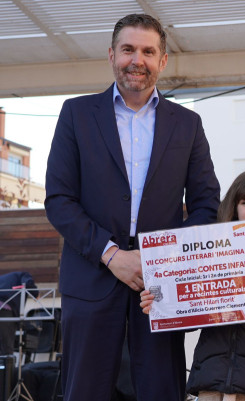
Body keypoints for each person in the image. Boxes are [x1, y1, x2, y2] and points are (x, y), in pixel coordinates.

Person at [44, 14, 220, 401]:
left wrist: (162, 259)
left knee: (161, 389)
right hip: (90, 278)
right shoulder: (76, 114)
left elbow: (207, 204)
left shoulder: (188, 124)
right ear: (111, 55)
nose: (136, 60)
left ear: (163, 60)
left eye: (147, 51)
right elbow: (59, 199)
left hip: (160, 287)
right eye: (128, 49)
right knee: (85, 391)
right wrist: (112, 255)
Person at [141, 169, 245, 401]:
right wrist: (159, 303)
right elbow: (187, 320)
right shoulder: (208, 258)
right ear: (233, 207)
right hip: (213, 381)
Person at [0, 271, 37, 355]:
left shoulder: (3, 279)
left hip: (4, 308)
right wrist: (36, 294)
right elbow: (28, 283)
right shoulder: (24, 275)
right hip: (5, 309)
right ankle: (7, 367)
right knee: (6, 347)